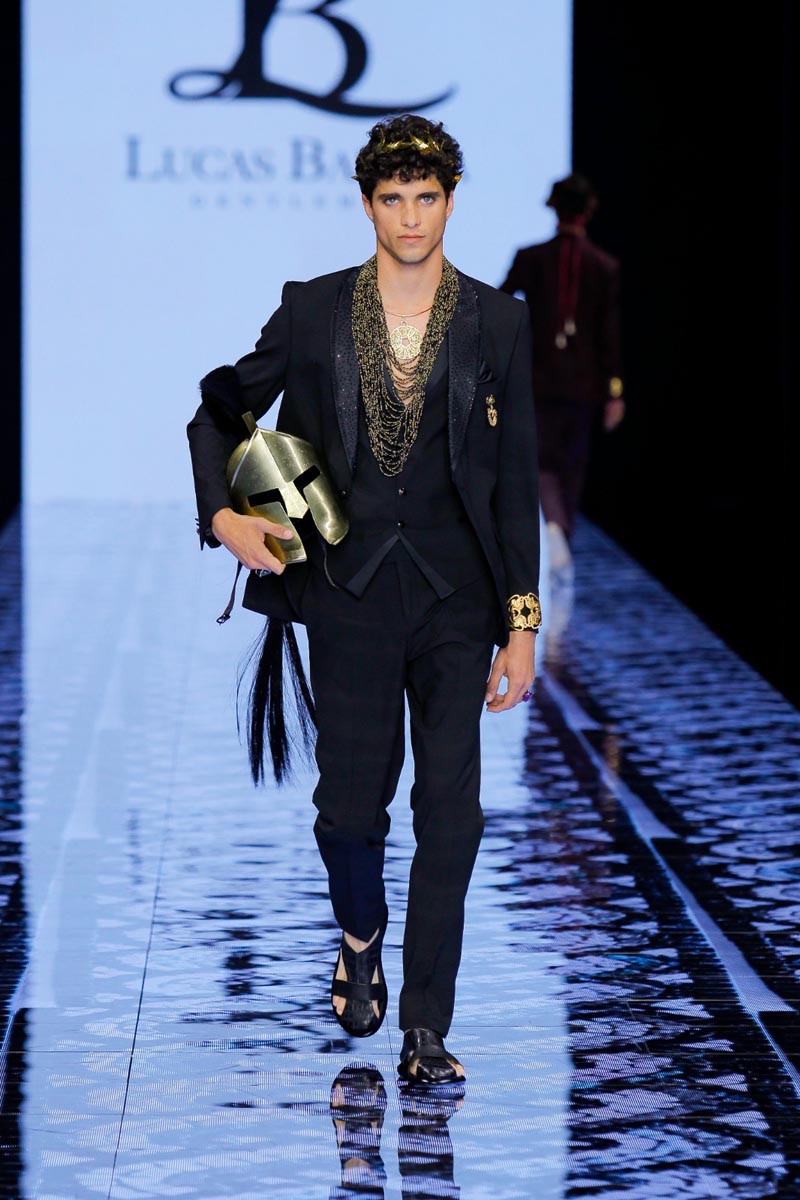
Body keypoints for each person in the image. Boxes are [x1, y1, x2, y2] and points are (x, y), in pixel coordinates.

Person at [187, 114, 541, 1085]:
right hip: (345, 589)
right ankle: (359, 936)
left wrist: (520, 628)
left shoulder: (497, 322)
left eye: (426, 198)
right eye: (393, 199)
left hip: (458, 598)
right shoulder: (312, 311)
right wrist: (223, 516)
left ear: (450, 202)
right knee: (349, 810)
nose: (411, 217)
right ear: (367, 205)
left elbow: (513, 481)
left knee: (451, 812)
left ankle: (425, 1026)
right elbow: (218, 408)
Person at [501, 174, 624, 581]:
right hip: (585, 385)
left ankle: (555, 528)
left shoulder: (530, 258)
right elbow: (609, 337)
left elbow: (500, 305)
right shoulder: (604, 265)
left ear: (554, 208)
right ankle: (560, 534)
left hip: (537, 380)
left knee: (542, 462)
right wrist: (615, 391)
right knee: (572, 465)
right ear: (588, 212)